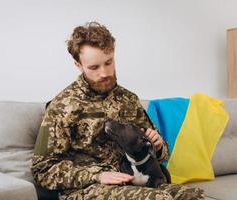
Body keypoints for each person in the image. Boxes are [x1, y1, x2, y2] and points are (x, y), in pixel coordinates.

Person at [31, 22, 204, 200]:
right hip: (88, 189)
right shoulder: (62, 106)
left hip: (133, 182)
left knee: (193, 196)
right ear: (78, 65)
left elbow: (156, 155)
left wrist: (158, 146)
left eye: (109, 62)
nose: (104, 73)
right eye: (94, 67)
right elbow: (42, 169)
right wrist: (96, 175)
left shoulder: (128, 99)